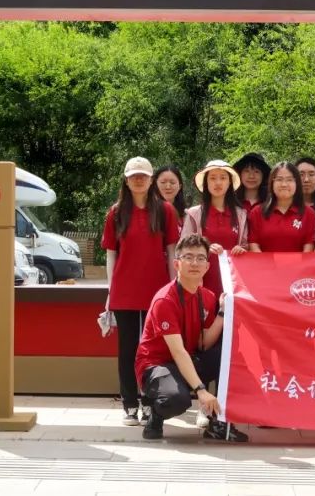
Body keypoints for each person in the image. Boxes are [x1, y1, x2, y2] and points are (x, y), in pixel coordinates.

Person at [135, 233, 249, 442]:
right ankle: (156, 414)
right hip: (157, 365)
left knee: (228, 355)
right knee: (177, 400)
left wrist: (222, 312)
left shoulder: (207, 297)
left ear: (207, 266)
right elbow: (178, 352)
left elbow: (204, 343)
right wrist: (201, 390)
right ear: (177, 264)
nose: (194, 263)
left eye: (200, 258)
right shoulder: (165, 300)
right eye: (188, 257)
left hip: (186, 361)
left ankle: (219, 424)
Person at [101, 157, 180, 426]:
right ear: (126, 180)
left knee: (152, 350)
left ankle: (149, 402)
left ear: (150, 180)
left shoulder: (165, 210)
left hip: (157, 290)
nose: (138, 180)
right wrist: (111, 290)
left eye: (143, 176)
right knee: (127, 349)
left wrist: (173, 288)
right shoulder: (116, 212)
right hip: (124, 291)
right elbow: (111, 254)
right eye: (134, 176)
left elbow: (171, 251)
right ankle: (129, 404)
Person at [183, 160, 248, 298]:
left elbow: (246, 245)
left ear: (229, 182)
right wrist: (204, 247)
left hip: (234, 283)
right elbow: (183, 247)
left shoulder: (241, 214)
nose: (218, 183)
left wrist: (242, 249)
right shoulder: (194, 214)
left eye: (223, 178)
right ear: (206, 182)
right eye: (212, 178)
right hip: (202, 281)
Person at [249, 161, 315, 253]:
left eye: (289, 180)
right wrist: (264, 262)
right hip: (264, 262)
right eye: (279, 179)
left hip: (299, 262)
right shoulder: (257, 212)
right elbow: (253, 243)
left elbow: (309, 245)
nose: (284, 184)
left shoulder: (309, 213)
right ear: (272, 183)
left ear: (297, 183)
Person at [153, 165, 188, 230]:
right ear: (155, 185)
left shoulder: (187, 215)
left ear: (180, 186)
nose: (168, 187)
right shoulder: (148, 212)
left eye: (172, 182)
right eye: (163, 182)